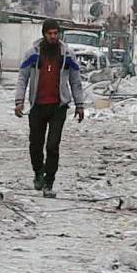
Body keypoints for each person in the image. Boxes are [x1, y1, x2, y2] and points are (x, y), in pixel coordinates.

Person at [14, 20, 85, 195]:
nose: (53, 37)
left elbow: (75, 80)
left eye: (56, 33)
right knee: (36, 145)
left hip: (58, 107)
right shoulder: (33, 54)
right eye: (50, 33)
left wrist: (79, 104)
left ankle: (49, 182)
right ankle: (38, 173)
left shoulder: (67, 55)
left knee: (53, 146)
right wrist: (19, 100)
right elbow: (22, 78)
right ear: (44, 34)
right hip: (38, 106)